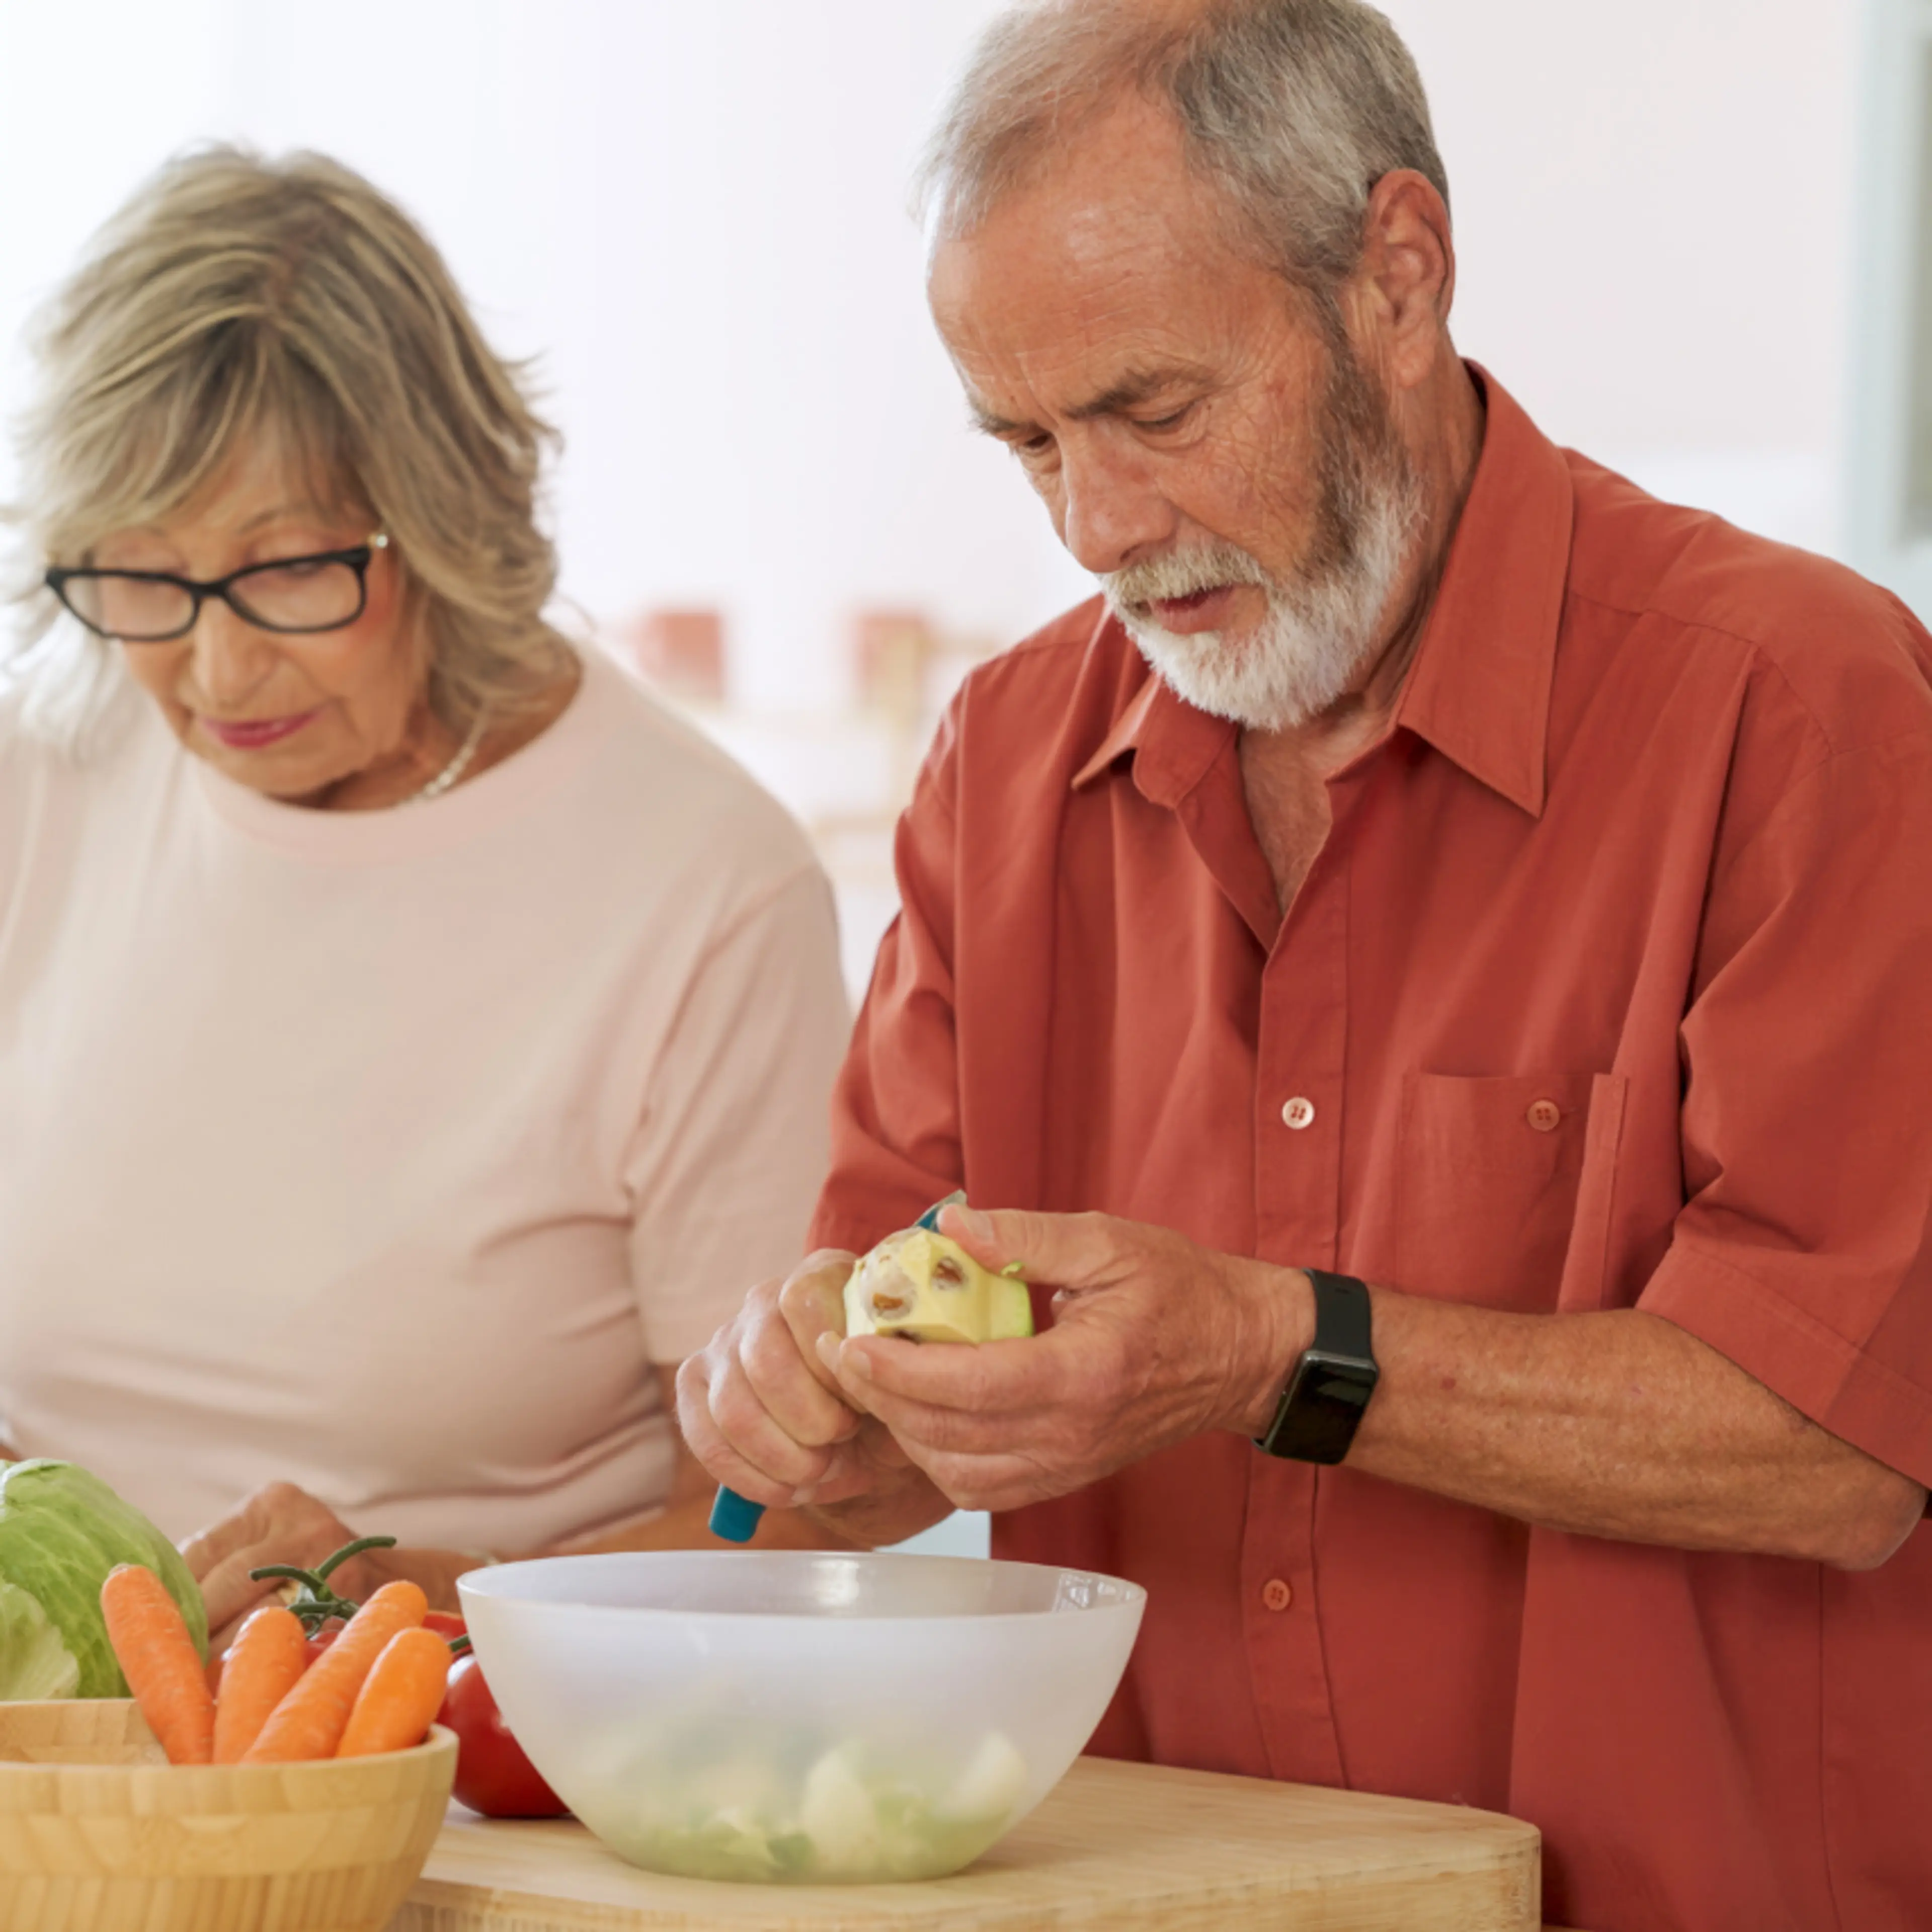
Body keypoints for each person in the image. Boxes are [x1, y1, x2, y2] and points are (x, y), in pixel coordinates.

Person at [678, 4, 1932, 1927]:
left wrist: (1277, 1349)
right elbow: (879, 1436)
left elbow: (1843, 1443)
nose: (1099, 526)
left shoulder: (1803, 708)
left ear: (1399, 278)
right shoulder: (1003, 766)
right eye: (1028, 443)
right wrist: (798, 1403)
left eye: (1157, 412)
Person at [0, 147, 851, 1649]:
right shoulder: (42, 774)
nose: (216, 673)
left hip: (445, 1755)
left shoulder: (705, 889)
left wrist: (424, 1607)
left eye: (286, 574)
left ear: (443, 522)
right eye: (141, 577)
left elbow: (783, 1515)